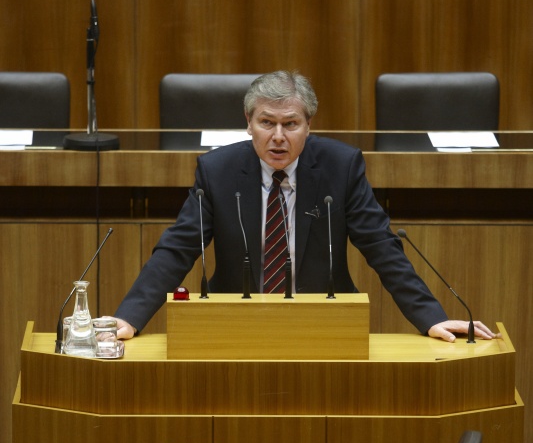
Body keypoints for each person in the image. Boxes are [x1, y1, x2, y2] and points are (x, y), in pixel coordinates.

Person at [113, 70, 499, 343]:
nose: (278, 137)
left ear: (308, 125)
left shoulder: (341, 167)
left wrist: (432, 318)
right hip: (235, 323)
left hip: (326, 324)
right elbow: (177, 249)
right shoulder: (218, 171)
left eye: (291, 124)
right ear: (248, 122)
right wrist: (129, 317)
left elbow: (383, 250)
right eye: (267, 122)